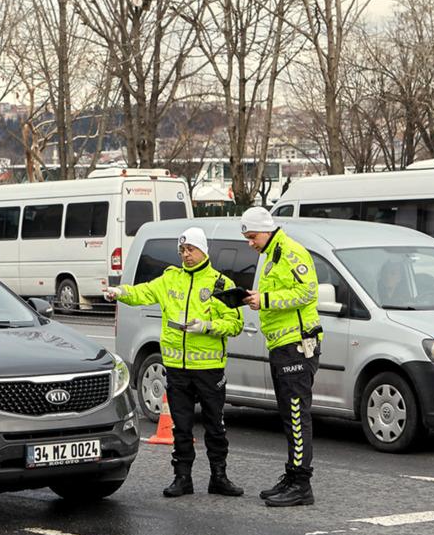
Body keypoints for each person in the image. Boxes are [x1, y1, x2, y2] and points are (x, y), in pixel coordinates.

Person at [103, 227, 245, 498]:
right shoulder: (170, 279)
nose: (186, 255)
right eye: (182, 250)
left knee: (215, 426)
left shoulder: (220, 284)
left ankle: (219, 477)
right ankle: (182, 478)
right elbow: (143, 292)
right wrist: (119, 292)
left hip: (209, 369)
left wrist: (206, 326)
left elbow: (235, 324)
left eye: (191, 249)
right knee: (181, 426)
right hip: (177, 367)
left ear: (203, 251)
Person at [241, 206, 322, 507]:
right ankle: (293, 475)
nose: (250, 243)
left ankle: (301, 484)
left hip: (297, 345)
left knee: (297, 415)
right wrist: (257, 299)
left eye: (252, 236)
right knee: (289, 416)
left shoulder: (290, 252)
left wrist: (265, 299)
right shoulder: (271, 255)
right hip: (281, 345)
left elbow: (308, 292)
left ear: (266, 230)